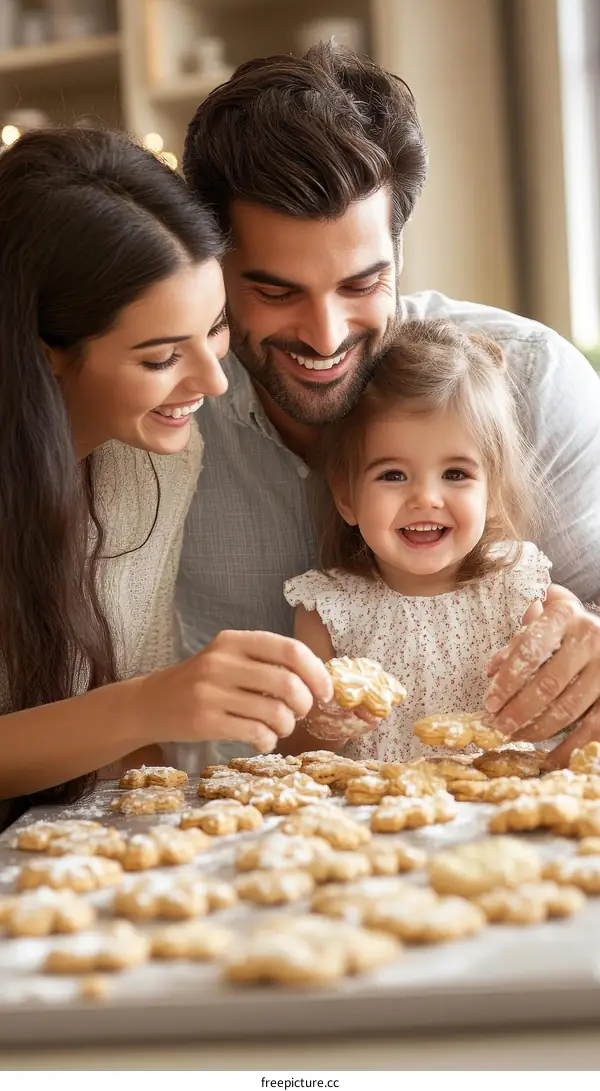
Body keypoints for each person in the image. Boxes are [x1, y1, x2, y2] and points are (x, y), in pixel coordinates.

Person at [178, 42, 600, 766]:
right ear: (213, 269)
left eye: (360, 284)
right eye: (277, 291)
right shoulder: (166, 416)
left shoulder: (530, 379)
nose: (325, 334)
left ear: (400, 255)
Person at [0, 127, 332, 829]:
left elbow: (127, 748)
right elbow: (131, 706)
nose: (213, 381)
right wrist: (153, 699)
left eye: (215, 328)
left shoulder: (158, 460)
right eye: (159, 358)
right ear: (44, 352)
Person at [282, 319, 574, 760]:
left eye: (455, 474)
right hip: (370, 819)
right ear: (347, 497)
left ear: (491, 492)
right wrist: (328, 721)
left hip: (487, 810)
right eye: (392, 474)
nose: (425, 498)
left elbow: (546, 717)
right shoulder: (327, 607)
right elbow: (293, 750)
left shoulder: (515, 587)